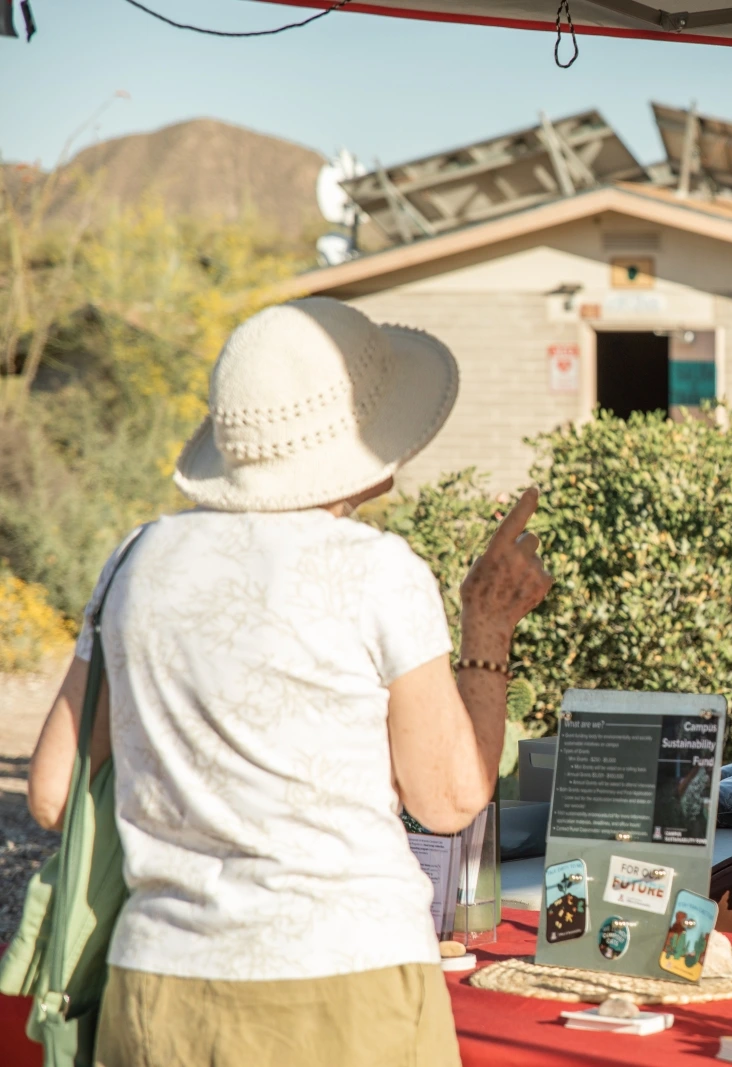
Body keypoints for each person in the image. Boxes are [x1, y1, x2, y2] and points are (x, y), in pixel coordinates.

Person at [26, 298, 553, 1066]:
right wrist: (489, 624)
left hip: (158, 986)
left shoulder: (136, 559)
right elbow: (447, 800)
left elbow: (51, 790)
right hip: (345, 985)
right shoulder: (378, 573)